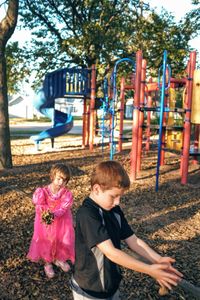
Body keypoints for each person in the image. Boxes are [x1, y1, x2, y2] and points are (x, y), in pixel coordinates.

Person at [71, 160, 183, 299]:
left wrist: (158, 260)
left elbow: (134, 241)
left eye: (120, 196)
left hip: (111, 284)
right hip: (90, 290)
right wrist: (149, 270)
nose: (118, 202)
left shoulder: (114, 210)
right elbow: (111, 252)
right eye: (113, 196)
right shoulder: (87, 214)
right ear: (96, 189)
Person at [27, 163, 75, 279]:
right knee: (46, 241)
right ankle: (47, 263)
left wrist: (53, 214)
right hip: (46, 224)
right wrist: (45, 213)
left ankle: (59, 258)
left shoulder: (66, 194)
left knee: (62, 239)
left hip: (61, 222)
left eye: (64, 180)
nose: (61, 183)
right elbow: (39, 205)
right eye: (58, 179)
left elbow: (63, 208)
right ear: (52, 177)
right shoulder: (43, 192)